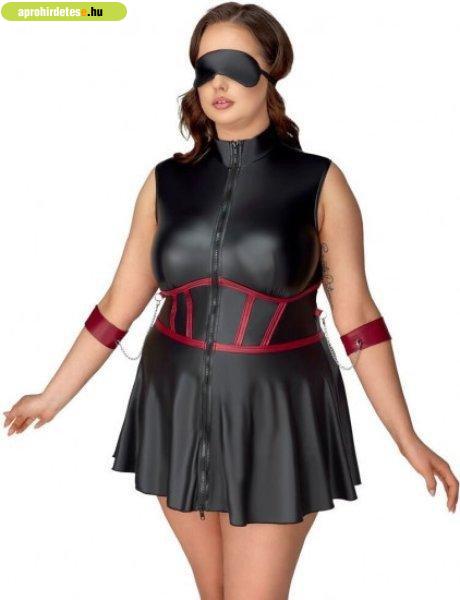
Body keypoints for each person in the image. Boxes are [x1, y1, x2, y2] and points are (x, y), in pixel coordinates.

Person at [3, 2, 458, 598]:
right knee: (213, 592)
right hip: (174, 402)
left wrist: (406, 437)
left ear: (271, 72)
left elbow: (358, 318)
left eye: (236, 66)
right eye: (205, 68)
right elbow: (118, 304)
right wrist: (52, 396)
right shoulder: (167, 180)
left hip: (276, 410)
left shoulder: (318, 181)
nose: (218, 83)